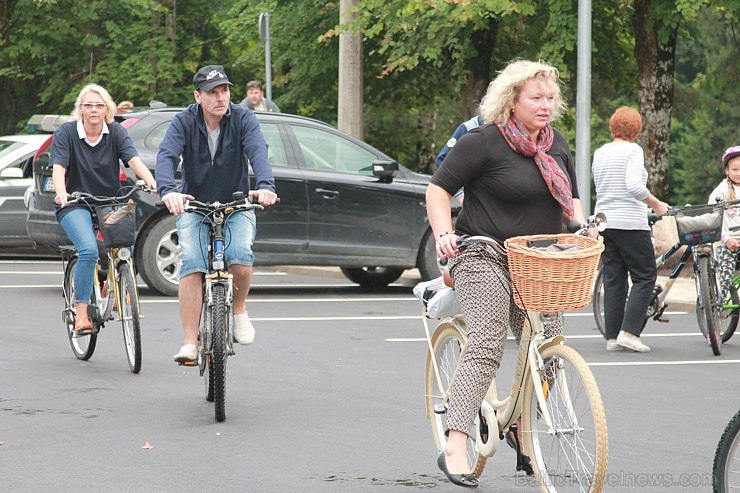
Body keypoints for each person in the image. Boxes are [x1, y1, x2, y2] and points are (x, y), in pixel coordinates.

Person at [426, 59, 592, 488]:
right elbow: (438, 189)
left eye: (550, 98)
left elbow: (570, 205)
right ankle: (456, 441)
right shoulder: (483, 141)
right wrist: (445, 233)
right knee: (487, 337)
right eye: (536, 98)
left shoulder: (556, 146)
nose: (546, 106)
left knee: (550, 343)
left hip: (537, 260)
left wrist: (585, 228)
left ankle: (522, 424)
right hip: (483, 253)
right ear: (512, 100)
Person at [156, 65, 278, 364]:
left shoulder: (242, 117)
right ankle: (190, 342)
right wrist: (168, 190)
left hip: (235, 202)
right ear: (198, 96)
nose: (220, 97)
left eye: (224, 90)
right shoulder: (184, 121)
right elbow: (167, 155)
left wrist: (265, 185)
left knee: (240, 255)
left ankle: (238, 309)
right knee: (193, 263)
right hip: (194, 203)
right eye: (212, 92)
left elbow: (257, 151)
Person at [51, 84, 156, 334]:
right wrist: (60, 192)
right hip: (75, 202)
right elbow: (58, 167)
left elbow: (133, 160)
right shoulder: (67, 133)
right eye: (88, 105)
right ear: (81, 110)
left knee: (124, 246)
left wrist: (151, 182)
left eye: (99, 105)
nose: (94, 110)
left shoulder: (116, 132)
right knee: (88, 250)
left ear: (107, 109)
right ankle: (82, 315)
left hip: (109, 201)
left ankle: (115, 284)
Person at [592, 106, 669, 353]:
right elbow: (634, 186)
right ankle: (630, 332)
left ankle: (613, 337)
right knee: (645, 276)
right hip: (629, 223)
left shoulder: (600, 152)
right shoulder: (633, 151)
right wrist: (656, 204)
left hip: (605, 222)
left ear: (613, 127)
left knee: (614, 280)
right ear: (636, 130)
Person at [708, 146, 740, 301]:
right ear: (727, 171)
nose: (739, 173)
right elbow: (714, 219)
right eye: (735, 169)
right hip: (726, 241)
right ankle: (719, 303)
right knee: (726, 274)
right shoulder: (720, 192)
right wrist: (726, 239)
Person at [434, 115, 484, 204]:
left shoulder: (512, 131)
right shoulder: (469, 127)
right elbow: (442, 159)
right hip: (475, 203)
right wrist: (460, 195)